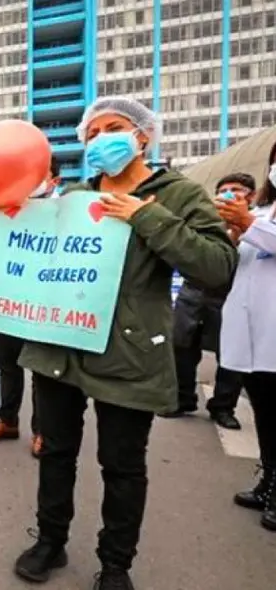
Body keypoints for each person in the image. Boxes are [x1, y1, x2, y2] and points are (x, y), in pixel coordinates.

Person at [13, 97, 237, 589]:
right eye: (91, 133)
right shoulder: (73, 195)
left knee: (121, 465)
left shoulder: (175, 195)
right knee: (55, 451)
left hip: (129, 350)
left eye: (113, 128)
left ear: (143, 136)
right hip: (61, 343)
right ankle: (50, 539)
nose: (100, 139)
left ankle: (116, 565)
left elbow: (217, 266)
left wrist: (146, 217)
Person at [0, 156, 62, 453]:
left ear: (54, 181)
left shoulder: (65, 211)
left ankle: (42, 431)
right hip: (9, 302)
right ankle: (8, 421)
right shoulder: (7, 211)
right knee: (8, 365)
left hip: (44, 304)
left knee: (41, 369)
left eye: (41, 174)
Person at [217, 141, 276, 532]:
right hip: (253, 330)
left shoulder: (260, 219)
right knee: (266, 414)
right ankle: (269, 480)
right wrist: (237, 230)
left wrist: (250, 224)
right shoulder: (264, 212)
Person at [164, 173, 254, 428]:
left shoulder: (257, 221)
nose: (228, 194)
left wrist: (239, 228)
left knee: (231, 356)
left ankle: (223, 407)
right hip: (193, 293)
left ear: (251, 196)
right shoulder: (205, 220)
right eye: (223, 190)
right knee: (181, 347)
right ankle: (183, 399)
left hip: (231, 296)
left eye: (236, 190)